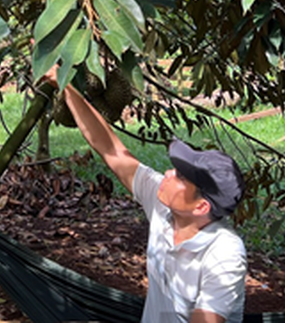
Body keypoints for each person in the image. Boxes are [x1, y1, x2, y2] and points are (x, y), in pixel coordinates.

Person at [43, 67, 247, 323]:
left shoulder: (224, 253)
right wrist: (65, 86)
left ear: (202, 207)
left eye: (181, 177)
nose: (169, 173)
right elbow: (110, 148)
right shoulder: (166, 206)